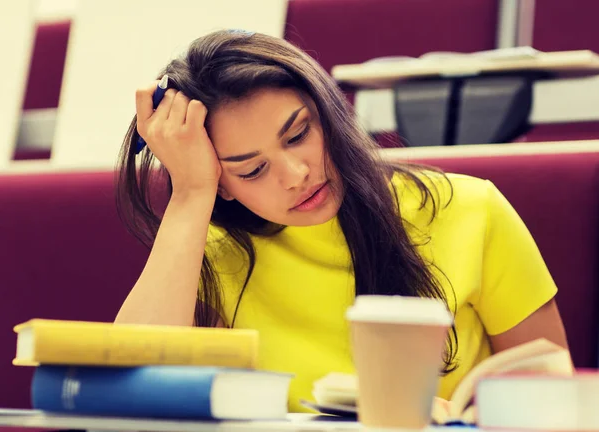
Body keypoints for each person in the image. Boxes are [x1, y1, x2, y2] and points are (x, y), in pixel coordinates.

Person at [114, 29, 569, 412]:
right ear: (223, 183)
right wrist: (192, 193)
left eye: (298, 134)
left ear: (328, 114)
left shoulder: (471, 209)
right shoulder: (209, 253)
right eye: (252, 170)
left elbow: (553, 395)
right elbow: (124, 390)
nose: (296, 176)